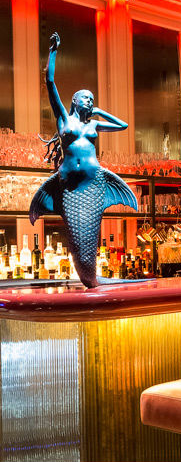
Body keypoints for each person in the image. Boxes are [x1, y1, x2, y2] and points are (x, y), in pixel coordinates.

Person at [29, 33, 137, 288]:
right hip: (67, 185)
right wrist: (53, 52)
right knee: (76, 237)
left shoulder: (94, 125)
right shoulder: (63, 120)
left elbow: (123, 125)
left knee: (89, 234)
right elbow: (50, 82)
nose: (90, 101)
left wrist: (98, 111)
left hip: (95, 182)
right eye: (87, 98)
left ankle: (93, 277)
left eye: (93, 100)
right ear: (75, 101)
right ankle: (89, 277)